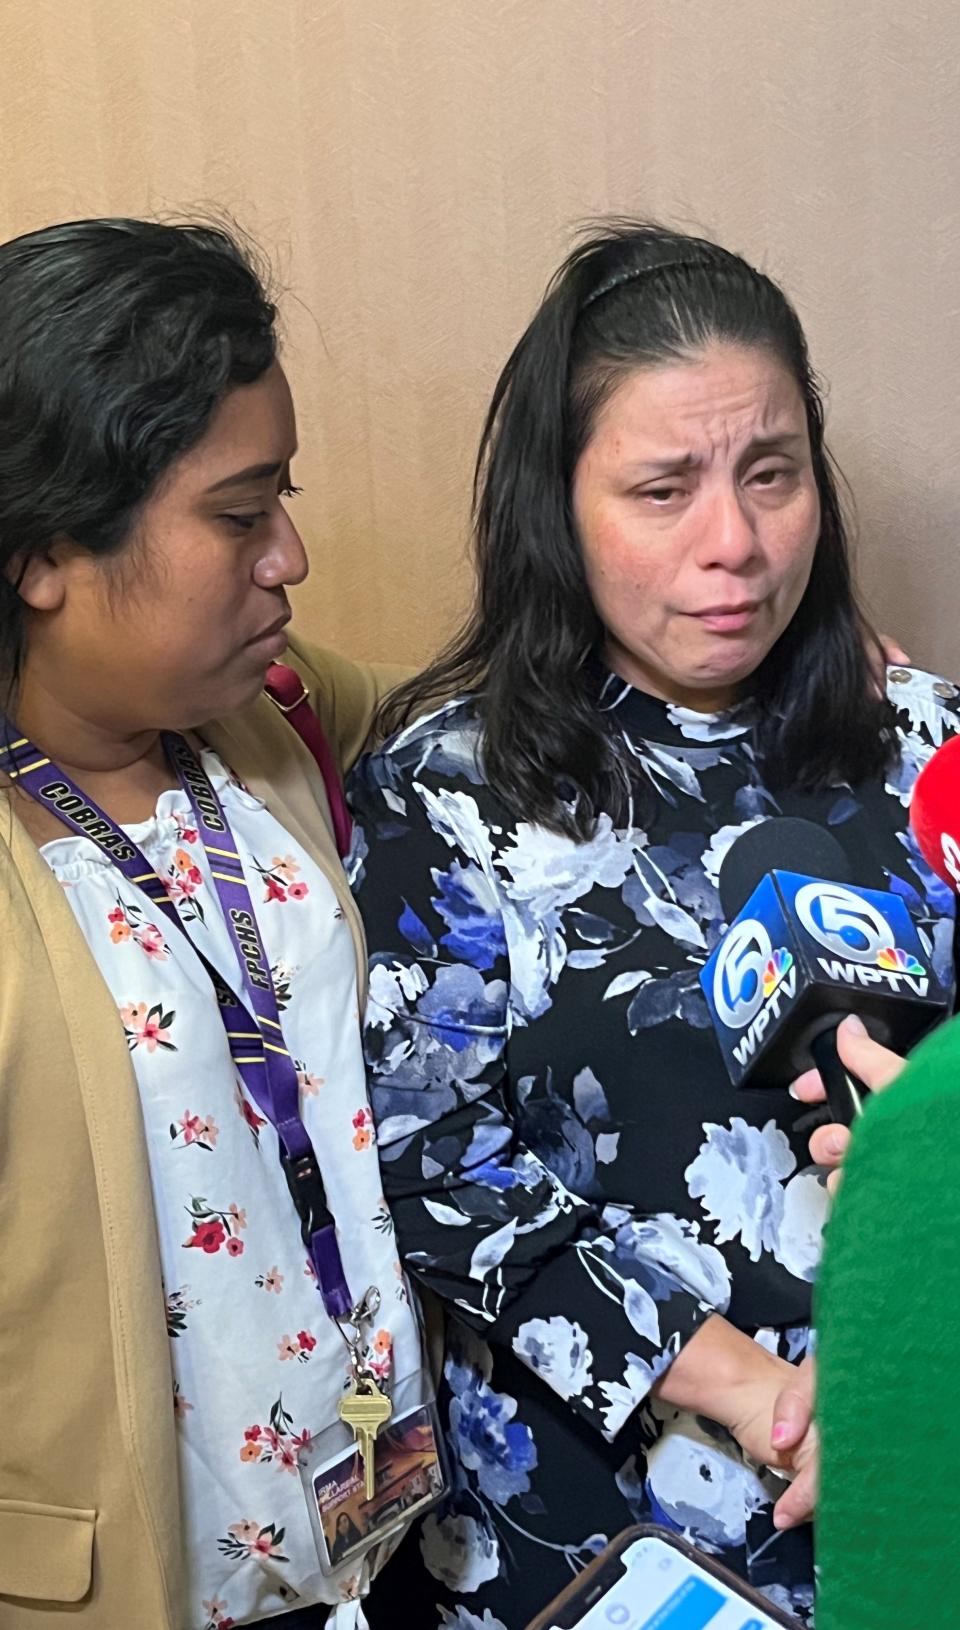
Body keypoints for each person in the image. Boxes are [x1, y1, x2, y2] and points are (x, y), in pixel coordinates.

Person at [347, 221, 960, 1629]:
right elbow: (426, 1163)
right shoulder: (447, 787)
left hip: (913, 1461)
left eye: (771, 474)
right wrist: (763, 1393)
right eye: (662, 487)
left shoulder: (929, 748)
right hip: (594, 1528)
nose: (733, 543)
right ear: (557, 508)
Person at [0, 218, 424, 1630]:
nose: (290, 555)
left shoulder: (269, 714)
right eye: (238, 516)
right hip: (153, 1588)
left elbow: (475, 707)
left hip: (383, 1532)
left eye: (282, 500)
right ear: (43, 549)